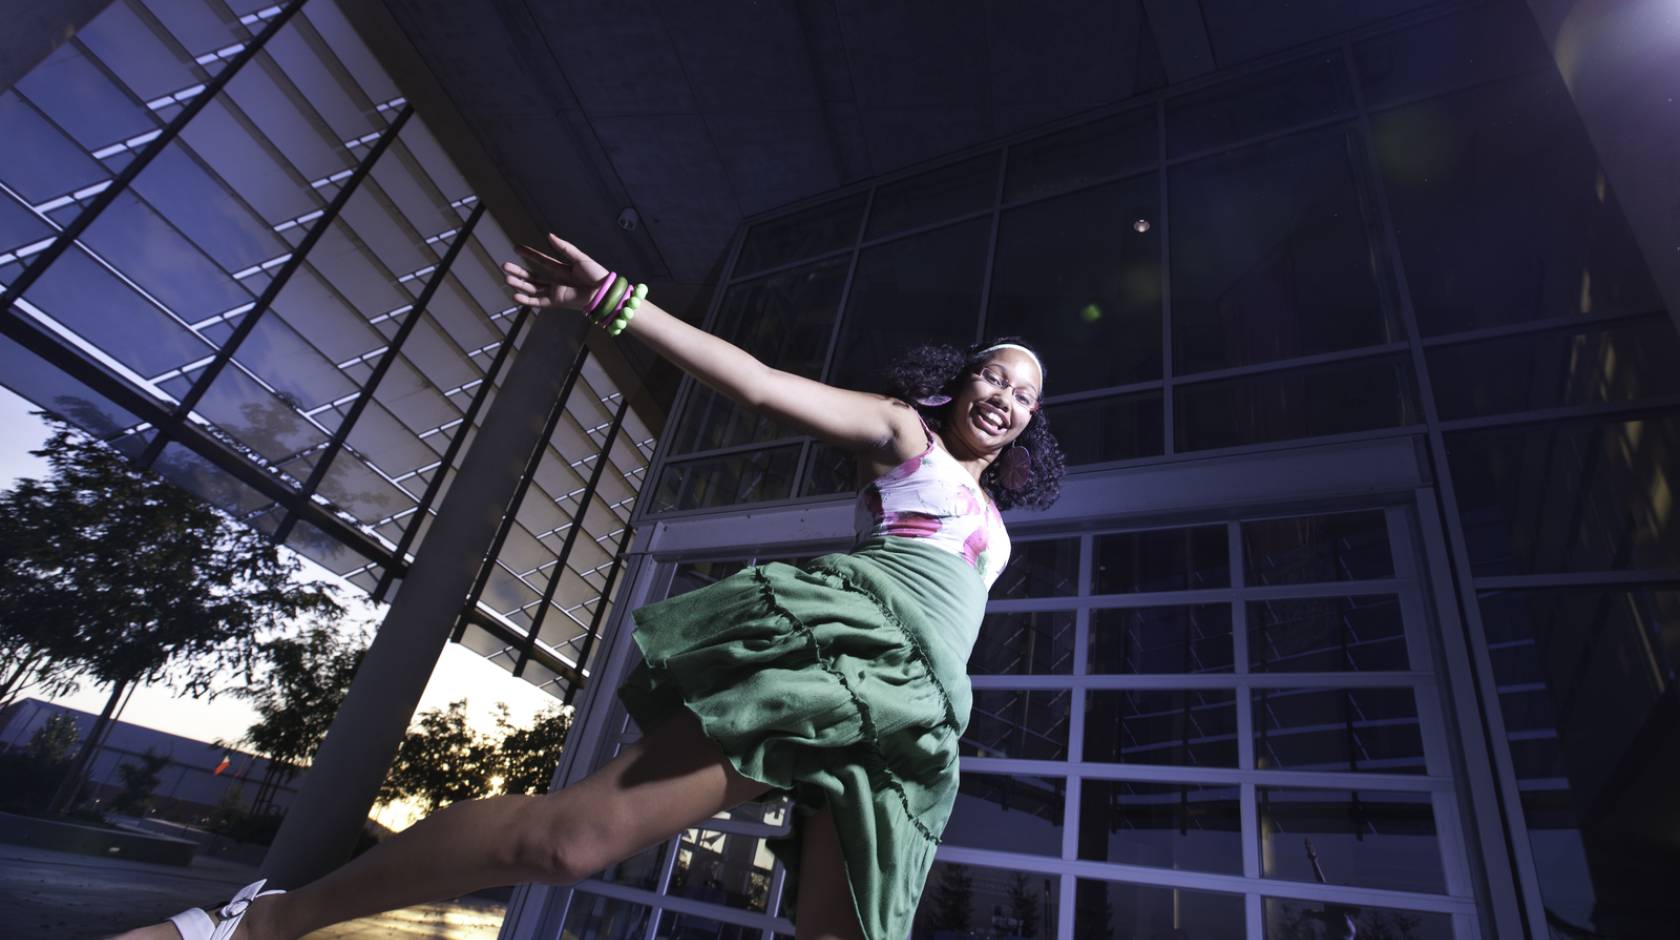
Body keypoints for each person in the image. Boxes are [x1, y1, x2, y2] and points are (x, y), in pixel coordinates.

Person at [113, 234, 1064, 940]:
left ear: (1029, 424)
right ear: (956, 382)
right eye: (992, 375)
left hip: (918, 715)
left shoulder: (996, 522)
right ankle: (269, 921)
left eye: (1022, 394)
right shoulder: (908, 438)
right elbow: (762, 384)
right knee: (569, 846)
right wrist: (614, 302)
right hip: (846, 661)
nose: (1004, 396)